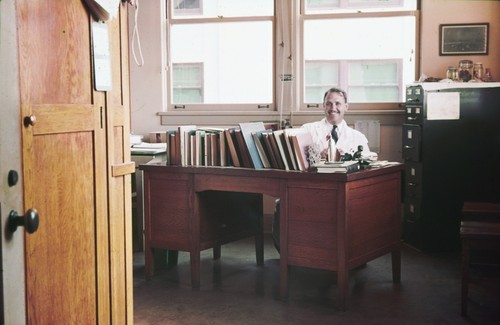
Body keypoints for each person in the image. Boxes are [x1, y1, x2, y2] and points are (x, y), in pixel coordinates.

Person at [272, 87, 374, 252]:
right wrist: (318, 154)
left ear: (346, 106)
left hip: (343, 194)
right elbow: (295, 157)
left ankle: (350, 253)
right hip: (313, 190)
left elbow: (367, 168)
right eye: (328, 104)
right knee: (283, 205)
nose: (333, 108)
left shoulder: (357, 137)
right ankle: (294, 253)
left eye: (338, 103)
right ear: (323, 106)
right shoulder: (308, 130)